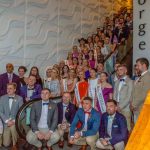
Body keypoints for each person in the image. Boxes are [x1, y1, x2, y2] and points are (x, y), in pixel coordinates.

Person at [0, 83, 23, 150]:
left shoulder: (19, 98)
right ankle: (13, 137)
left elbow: (22, 112)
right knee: (6, 144)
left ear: (15, 89)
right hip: (6, 123)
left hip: (15, 121)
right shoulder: (2, 98)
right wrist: (7, 121)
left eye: (10, 88)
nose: (8, 90)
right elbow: (0, 112)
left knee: (13, 127)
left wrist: (14, 121)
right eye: (7, 88)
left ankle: (14, 144)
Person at [113, 64, 133, 131]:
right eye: (118, 70)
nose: (119, 71)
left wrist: (120, 107)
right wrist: (115, 106)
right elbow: (114, 94)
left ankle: (127, 141)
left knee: (127, 127)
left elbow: (129, 96)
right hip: (116, 108)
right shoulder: (116, 82)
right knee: (118, 126)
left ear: (126, 71)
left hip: (126, 108)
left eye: (121, 69)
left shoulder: (130, 82)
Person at [131, 58, 150, 123]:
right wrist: (131, 102)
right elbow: (134, 92)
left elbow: (144, 93)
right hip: (137, 109)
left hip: (142, 108)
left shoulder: (147, 77)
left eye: (138, 65)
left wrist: (134, 104)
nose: (136, 67)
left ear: (144, 65)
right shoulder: (141, 76)